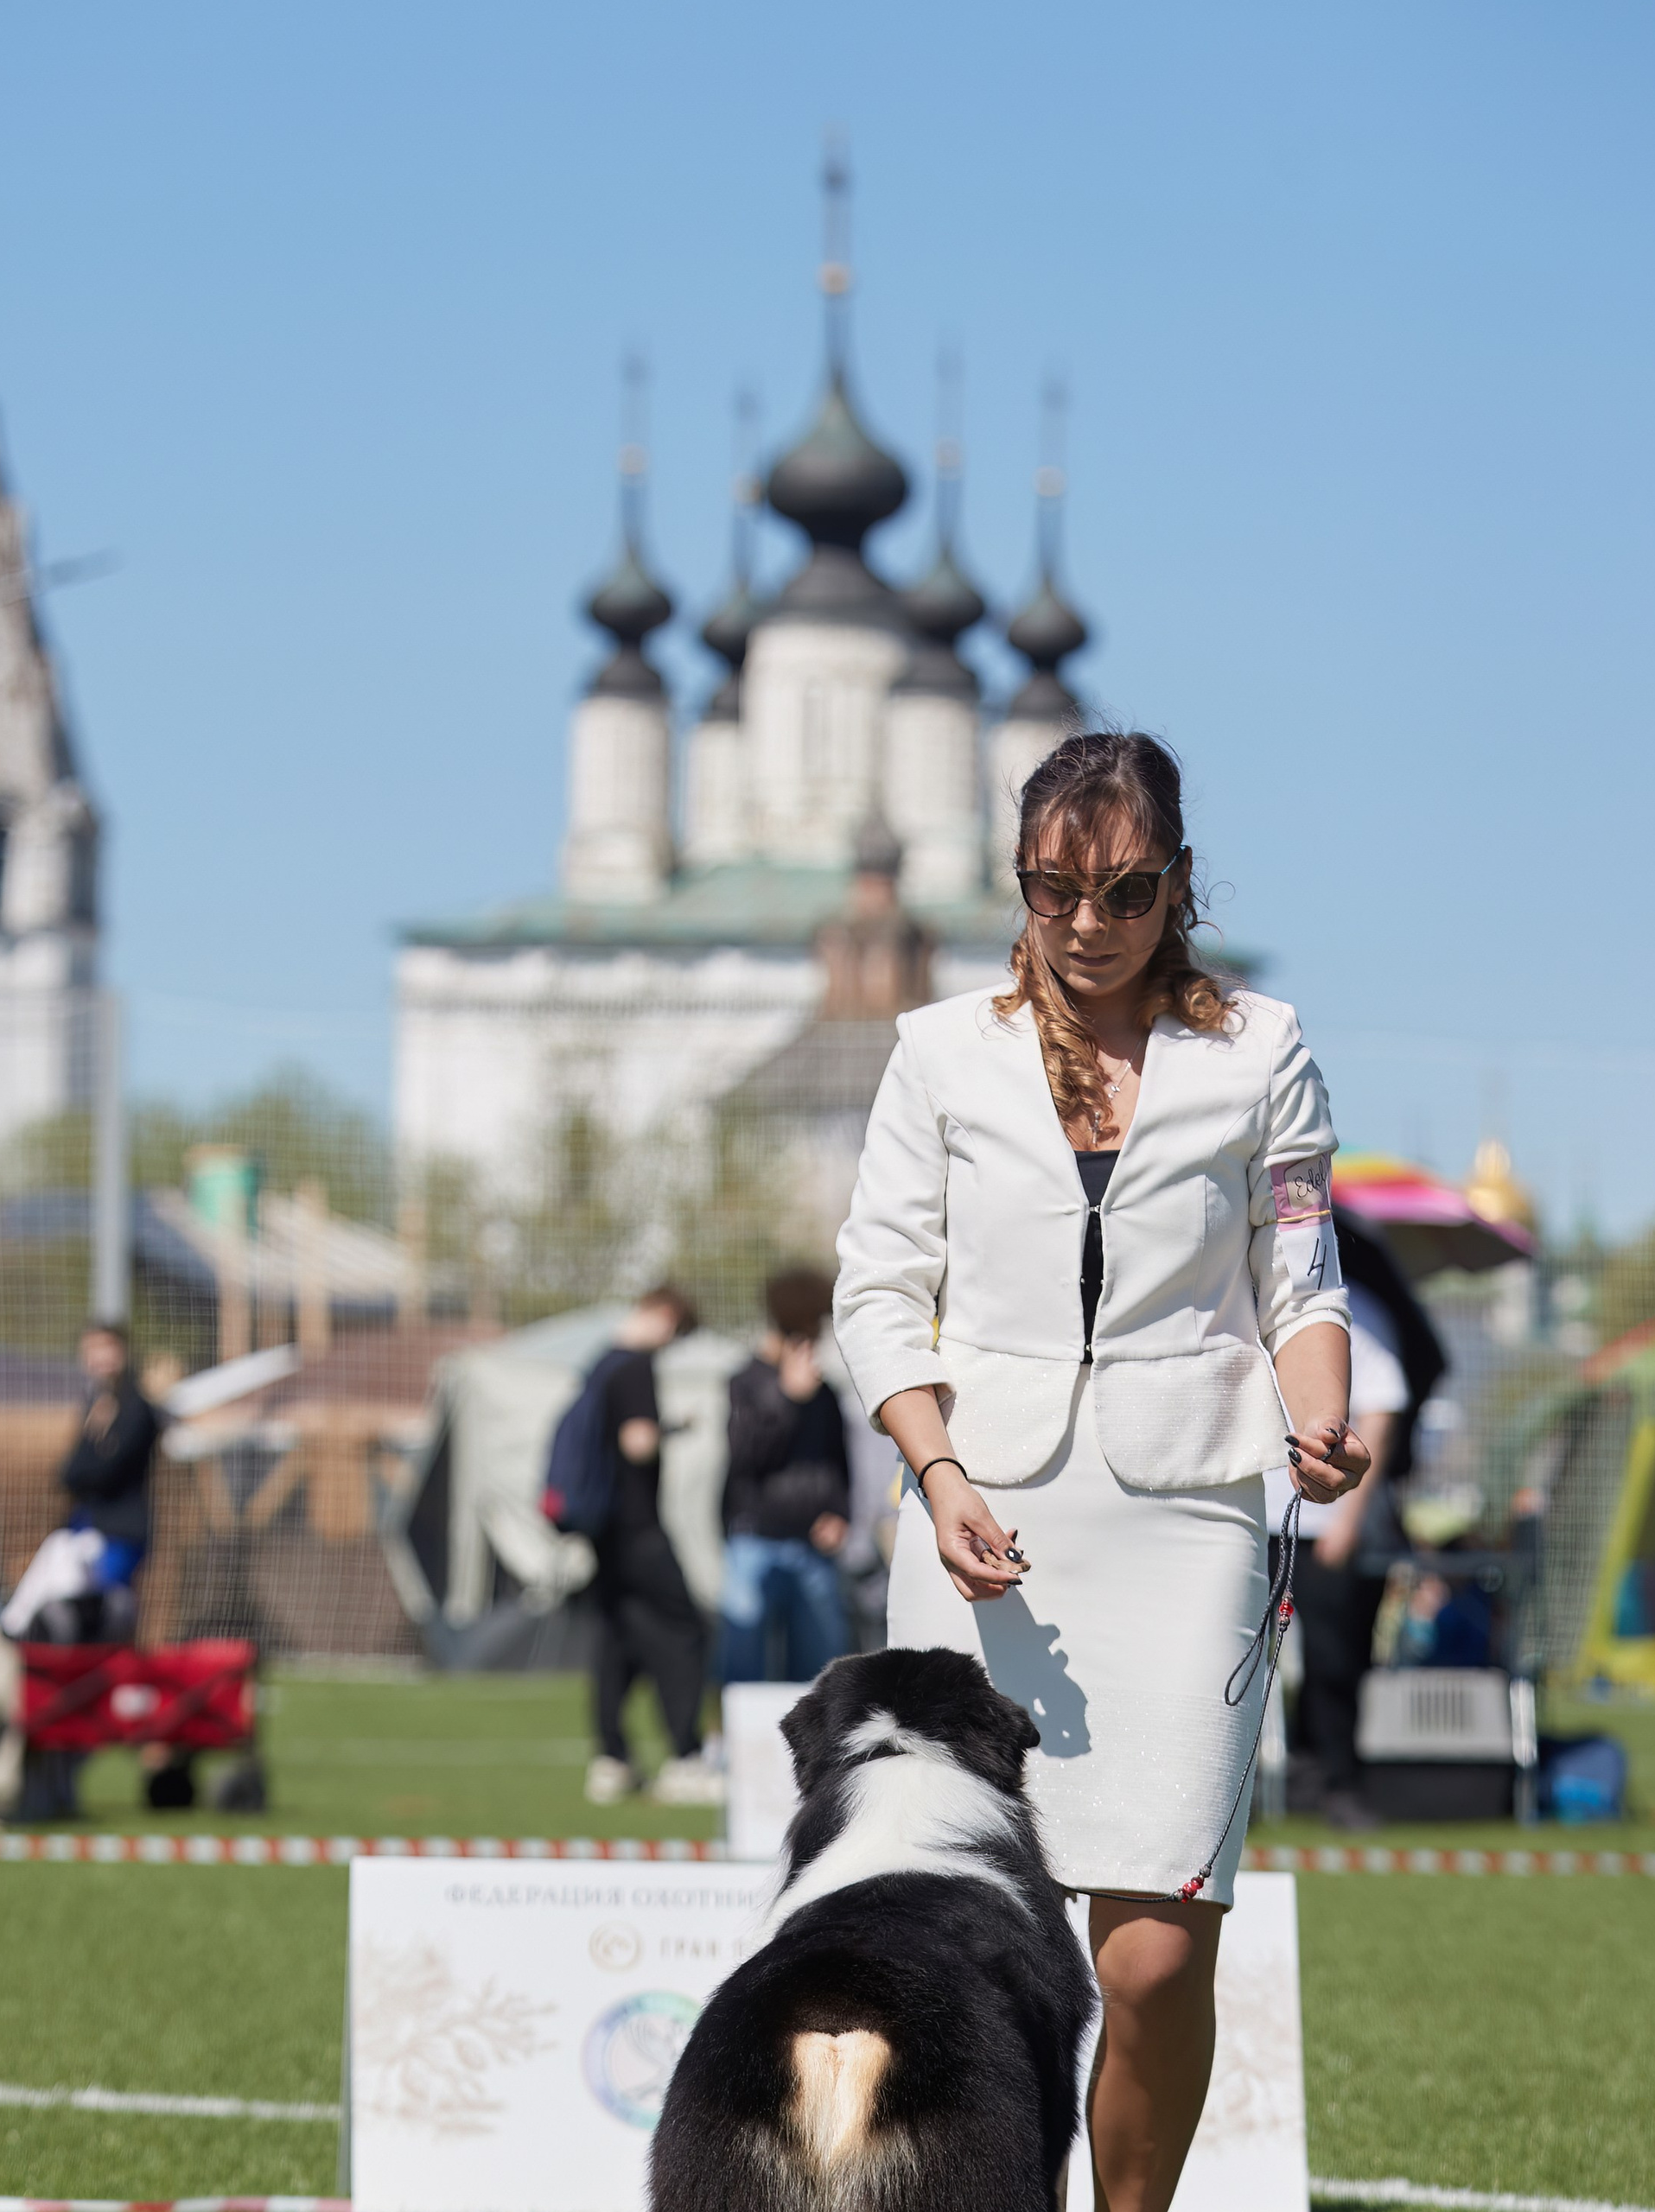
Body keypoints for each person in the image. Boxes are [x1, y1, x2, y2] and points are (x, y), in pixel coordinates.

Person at [834, 732, 1369, 2212]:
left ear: (1179, 887)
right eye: (1056, 888)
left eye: (1126, 892)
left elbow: (1304, 1279)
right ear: (1019, 883)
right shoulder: (938, 1051)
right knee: (951, 1940)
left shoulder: (1263, 1049)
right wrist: (933, 1470)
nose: (1088, 921)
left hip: (1194, 1517)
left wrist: (1320, 1421)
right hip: (978, 1520)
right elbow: (879, 1294)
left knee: (1151, 1952)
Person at [1274, 1212, 1447, 1828]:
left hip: (1322, 1522)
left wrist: (1348, 1516)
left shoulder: (1352, 1307)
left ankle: (1338, 1784)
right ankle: (1262, 1789)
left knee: (1334, 1660)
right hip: (1250, 1517)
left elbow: (1381, 1405)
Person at [581, 1285, 722, 1808]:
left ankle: (611, 1758)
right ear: (664, 1317)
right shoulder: (636, 1366)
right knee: (685, 1630)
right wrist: (673, 1428)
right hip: (638, 1527)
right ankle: (685, 1757)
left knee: (619, 1638)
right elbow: (636, 1442)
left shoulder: (598, 1364)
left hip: (602, 1533)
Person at [718, 1267, 854, 1683]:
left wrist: (840, 1513)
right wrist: (786, 1400)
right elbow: (743, 1458)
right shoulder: (745, 1382)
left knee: (820, 1672)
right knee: (742, 1662)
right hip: (754, 1540)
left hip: (814, 1548)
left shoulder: (826, 1392)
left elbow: (837, 1462)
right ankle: (730, 1746)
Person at [54, 1319, 165, 1644]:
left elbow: (105, 1472)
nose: (100, 1357)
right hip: (86, 1528)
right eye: (92, 1350)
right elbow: (70, 1473)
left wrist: (92, 1457)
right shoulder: (96, 1408)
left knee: (111, 1614)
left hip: (120, 1533)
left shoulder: (136, 1410)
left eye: (107, 1348)